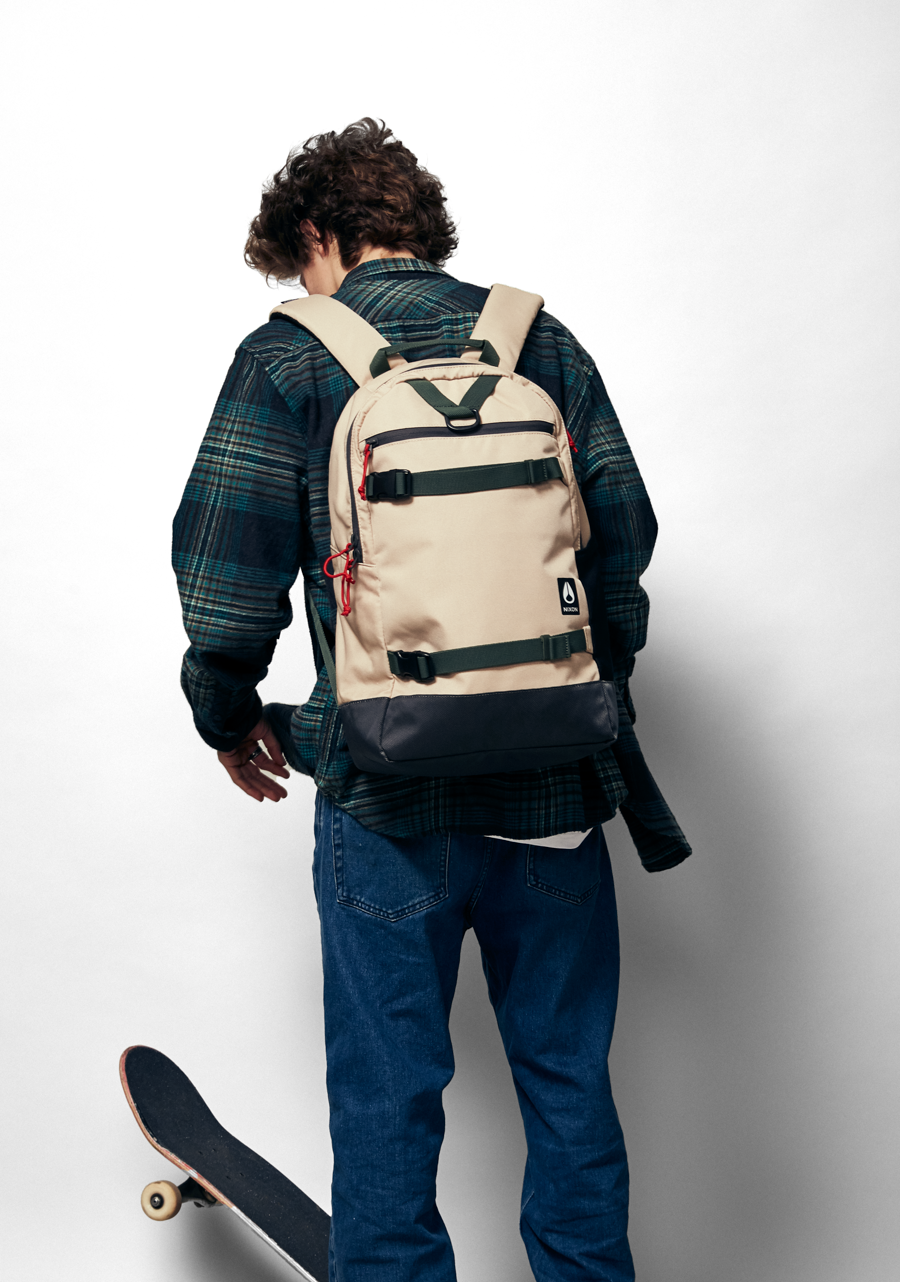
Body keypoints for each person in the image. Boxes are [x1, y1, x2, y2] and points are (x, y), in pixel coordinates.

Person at [173, 117, 690, 1282]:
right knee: (568, 1081)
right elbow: (622, 541)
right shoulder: (536, 340)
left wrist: (229, 711)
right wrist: (567, 699)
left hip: (384, 794)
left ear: (317, 233)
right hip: (556, 797)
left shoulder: (289, 360)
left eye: (298, 263)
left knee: (388, 1095)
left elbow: (222, 572)